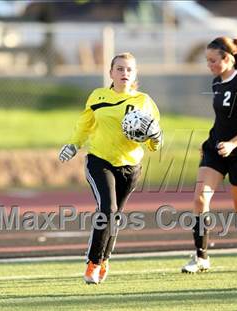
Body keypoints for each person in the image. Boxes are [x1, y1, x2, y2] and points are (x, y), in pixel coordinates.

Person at [59, 52, 162, 284]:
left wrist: (155, 138)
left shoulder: (144, 101)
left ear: (135, 74)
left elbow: (154, 143)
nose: (124, 73)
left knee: (115, 216)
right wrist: (73, 145)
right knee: (107, 208)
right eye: (120, 69)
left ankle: (105, 259)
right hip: (99, 160)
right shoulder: (97, 96)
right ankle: (93, 263)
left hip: (130, 166)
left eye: (129, 69)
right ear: (111, 73)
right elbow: (85, 125)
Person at [181, 37, 237, 274]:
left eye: (213, 60)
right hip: (216, 149)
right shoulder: (217, 82)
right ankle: (201, 257)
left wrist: (233, 143)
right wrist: (215, 142)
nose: (209, 65)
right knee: (199, 200)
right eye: (207, 60)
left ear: (228, 58)